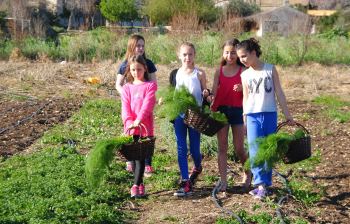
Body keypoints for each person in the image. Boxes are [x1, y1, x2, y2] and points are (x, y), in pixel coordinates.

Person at [236, 38, 294, 200]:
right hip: (252, 116)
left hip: (269, 114)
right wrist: (245, 119)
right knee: (255, 151)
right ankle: (260, 183)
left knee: (268, 149)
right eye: (240, 57)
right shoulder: (245, 74)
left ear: (254, 53)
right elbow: (245, 98)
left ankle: (265, 184)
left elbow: (279, 93)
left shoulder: (270, 69)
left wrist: (288, 115)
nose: (242, 60)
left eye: (244, 56)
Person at [207, 39, 251, 193]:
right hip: (222, 112)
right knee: (222, 147)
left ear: (238, 54)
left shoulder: (243, 71)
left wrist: (242, 88)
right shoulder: (219, 71)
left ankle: (247, 172)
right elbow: (213, 91)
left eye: (233, 52)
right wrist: (209, 98)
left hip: (238, 111)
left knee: (239, 148)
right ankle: (224, 181)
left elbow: (249, 93)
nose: (230, 55)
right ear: (223, 53)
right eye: (227, 52)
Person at [116, 34, 157, 176]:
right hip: (130, 105)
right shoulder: (124, 65)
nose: (140, 48)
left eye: (142, 45)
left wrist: (150, 98)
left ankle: (147, 164)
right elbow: (118, 84)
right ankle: (130, 159)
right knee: (131, 133)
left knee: (146, 133)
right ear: (131, 47)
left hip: (144, 103)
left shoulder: (149, 63)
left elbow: (153, 83)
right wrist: (127, 95)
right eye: (137, 45)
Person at [172, 42, 209, 197]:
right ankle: (185, 180)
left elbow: (205, 91)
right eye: (184, 54)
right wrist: (165, 101)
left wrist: (207, 92)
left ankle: (198, 166)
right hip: (180, 114)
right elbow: (174, 92)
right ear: (179, 56)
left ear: (195, 55)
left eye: (190, 54)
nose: (187, 57)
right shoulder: (177, 73)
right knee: (181, 148)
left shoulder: (199, 73)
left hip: (195, 116)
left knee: (194, 149)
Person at [121, 55, 157, 198]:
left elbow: (147, 105)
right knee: (134, 156)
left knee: (141, 157)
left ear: (145, 69)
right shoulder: (127, 88)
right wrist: (130, 123)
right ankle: (140, 183)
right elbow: (125, 108)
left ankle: (135, 185)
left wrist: (139, 120)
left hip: (144, 127)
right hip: (131, 128)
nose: (136, 72)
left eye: (139, 69)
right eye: (133, 70)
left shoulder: (150, 86)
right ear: (130, 70)